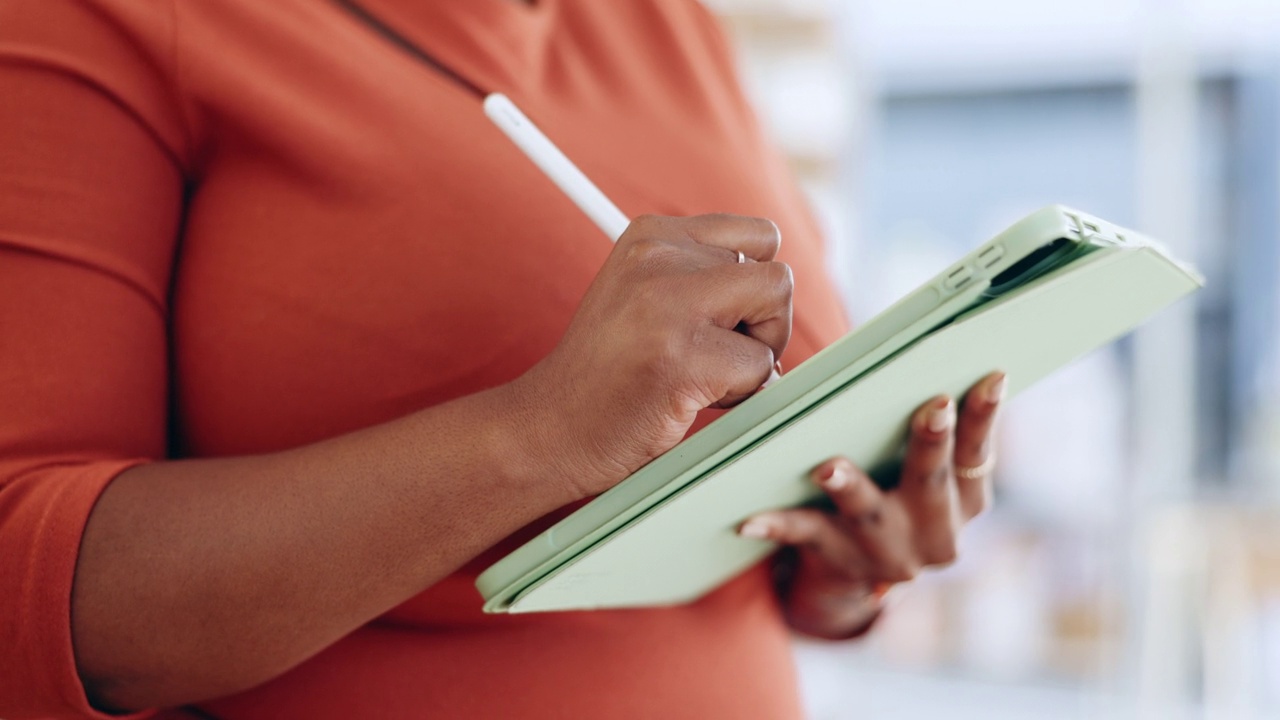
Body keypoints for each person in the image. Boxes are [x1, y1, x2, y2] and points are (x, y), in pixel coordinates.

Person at [0, 1, 1004, 718]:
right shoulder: (105, 19)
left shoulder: (671, 23)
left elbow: (731, 540)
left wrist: (839, 567)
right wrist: (542, 436)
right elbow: (30, 584)